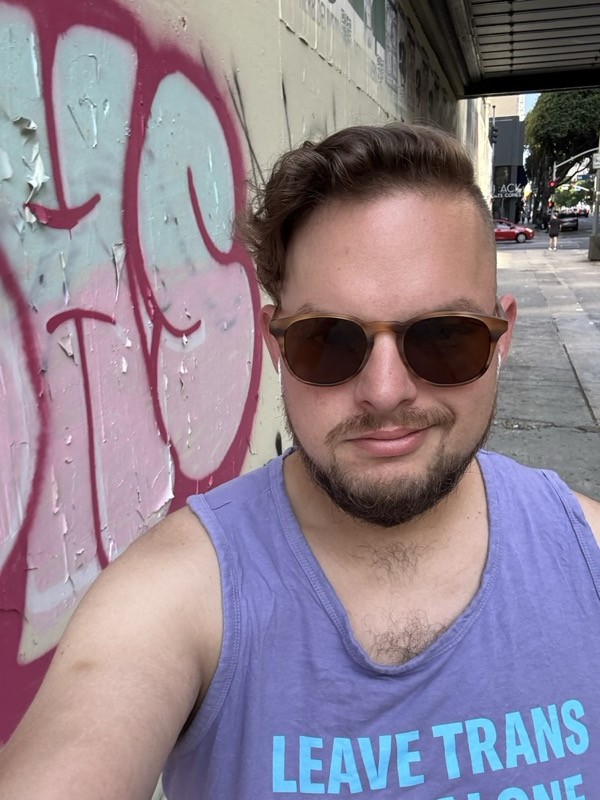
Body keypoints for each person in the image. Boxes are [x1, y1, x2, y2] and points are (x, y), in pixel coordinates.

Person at [1, 122, 600, 799]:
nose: (385, 392)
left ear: (502, 337)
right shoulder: (177, 596)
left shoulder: (588, 557)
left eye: (443, 336)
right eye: (329, 340)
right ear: (277, 346)